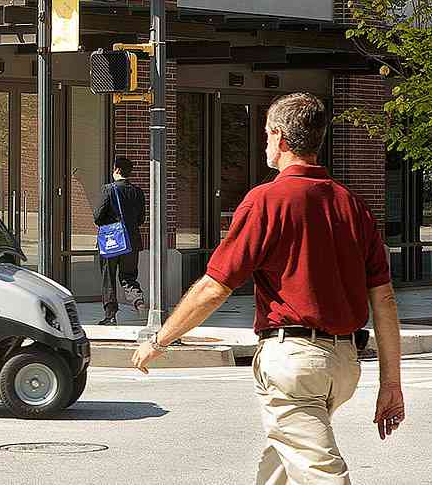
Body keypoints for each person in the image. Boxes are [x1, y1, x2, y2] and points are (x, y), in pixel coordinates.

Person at [131, 93, 406, 485]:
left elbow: (214, 286)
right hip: (344, 364)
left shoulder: (267, 200)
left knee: (322, 473)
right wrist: (390, 384)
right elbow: (384, 299)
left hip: (294, 362)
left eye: (264, 136)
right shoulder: (352, 205)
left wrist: (159, 341)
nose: (264, 144)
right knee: (279, 462)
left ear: (278, 138)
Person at [95, 156, 147, 325]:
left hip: (111, 242)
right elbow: (141, 219)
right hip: (131, 242)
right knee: (129, 276)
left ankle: (110, 315)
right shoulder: (138, 192)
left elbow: (97, 217)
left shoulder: (108, 190)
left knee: (108, 277)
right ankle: (138, 301)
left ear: (116, 170)